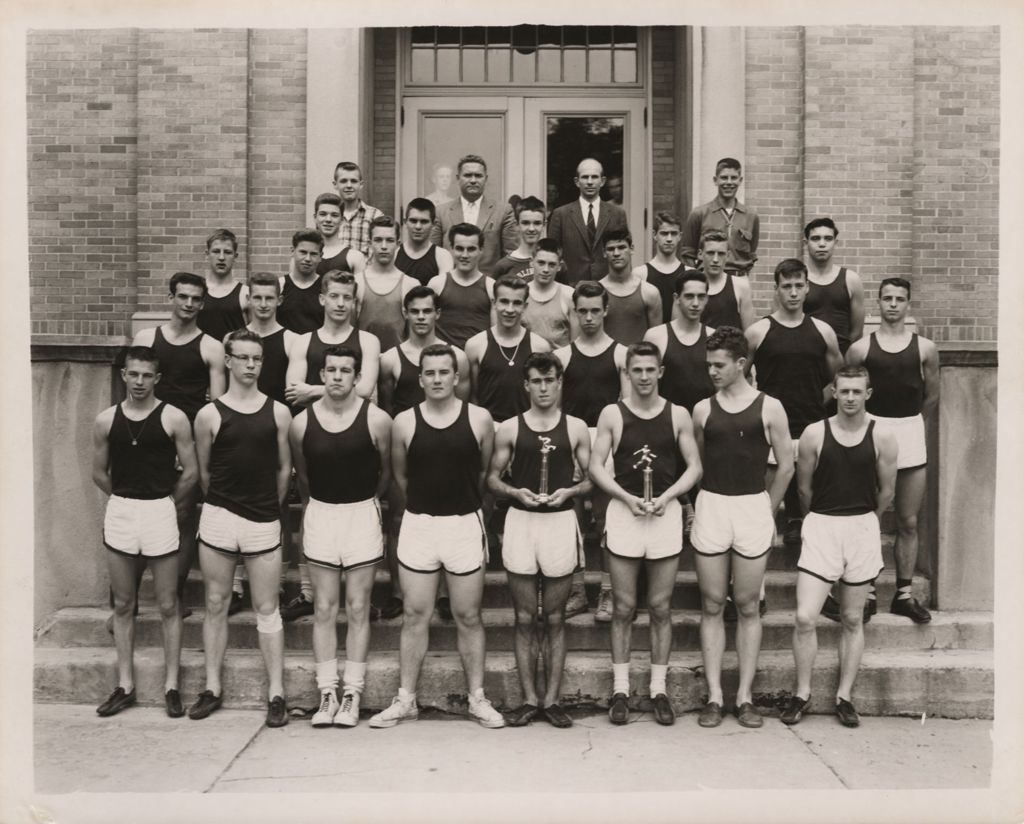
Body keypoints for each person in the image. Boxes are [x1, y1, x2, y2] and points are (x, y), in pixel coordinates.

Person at [369, 344, 505, 729]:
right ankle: (406, 699)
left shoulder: (479, 419)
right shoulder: (404, 422)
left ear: (456, 376)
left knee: (468, 614)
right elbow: (401, 476)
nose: (437, 379)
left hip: (463, 524)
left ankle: (477, 699)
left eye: (444, 372)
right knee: (415, 614)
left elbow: (482, 475)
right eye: (429, 373)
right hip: (420, 524)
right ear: (420, 377)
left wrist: (468, 508)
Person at [589, 341, 702, 726]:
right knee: (622, 608)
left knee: (660, 607)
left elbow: (693, 467)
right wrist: (623, 497)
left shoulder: (678, 414)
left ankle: (658, 689)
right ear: (627, 373)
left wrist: (670, 497)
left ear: (660, 372)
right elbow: (596, 466)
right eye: (636, 370)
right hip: (625, 515)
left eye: (649, 369)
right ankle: (620, 689)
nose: (643, 376)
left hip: (664, 516)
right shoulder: (612, 414)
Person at [781, 366, 897, 728]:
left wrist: (865, 520)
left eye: (856, 392)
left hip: (861, 526)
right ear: (833, 391)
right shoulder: (815, 433)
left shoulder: (883, 435)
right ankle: (802, 693)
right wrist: (822, 518)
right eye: (843, 391)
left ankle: (844, 696)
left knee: (851, 617)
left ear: (868, 394)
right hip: (822, 526)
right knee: (804, 617)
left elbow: (887, 492)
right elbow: (803, 489)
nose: (849, 398)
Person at [689, 327, 793, 729]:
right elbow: (697, 464)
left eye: (719, 365)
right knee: (712, 604)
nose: (712, 371)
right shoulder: (702, 409)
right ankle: (715, 696)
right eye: (708, 365)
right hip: (713, 505)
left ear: (740, 364)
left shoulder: (770, 407)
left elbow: (785, 464)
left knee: (748, 604)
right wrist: (703, 502)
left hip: (752, 507)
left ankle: (745, 697)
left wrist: (767, 508)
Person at [189, 330, 293, 727]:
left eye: (257, 358)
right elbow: (205, 472)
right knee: (215, 603)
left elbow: (285, 469)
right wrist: (223, 504)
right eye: (243, 358)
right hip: (219, 517)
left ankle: (276, 692)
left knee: (267, 609)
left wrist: (270, 504)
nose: (251, 365)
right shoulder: (209, 415)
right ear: (228, 361)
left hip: (263, 518)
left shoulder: (278, 412)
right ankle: (212, 687)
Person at [91, 347, 198, 718]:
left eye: (147, 376)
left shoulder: (174, 418)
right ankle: (125, 685)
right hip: (122, 511)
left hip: (160, 510)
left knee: (169, 604)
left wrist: (167, 502)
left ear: (157, 379)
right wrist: (124, 498)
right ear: (123, 375)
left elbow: (191, 471)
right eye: (133, 374)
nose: (139, 382)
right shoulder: (106, 420)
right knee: (123, 604)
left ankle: (171, 685)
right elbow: (99, 472)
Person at [488, 352, 592, 728]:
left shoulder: (577, 427)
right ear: (527, 384)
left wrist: (570, 492)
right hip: (523, 521)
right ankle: (530, 698)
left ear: (560, 382)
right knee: (523, 616)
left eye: (550, 381)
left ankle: (552, 700)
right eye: (536, 381)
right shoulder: (511, 428)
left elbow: (593, 479)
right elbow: (493, 478)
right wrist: (516, 494)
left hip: (560, 521)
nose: (544, 388)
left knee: (554, 616)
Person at [290, 346, 392, 727]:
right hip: (321, 513)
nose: (337, 377)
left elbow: (387, 473)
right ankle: (327, 692)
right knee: (324, 608)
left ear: (356, 377)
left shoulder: (377, 420)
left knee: (359, 607)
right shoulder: (301, 423)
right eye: (330, 369)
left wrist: (367, 503)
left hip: (361, 513)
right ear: (321, 375)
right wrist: (318, 508)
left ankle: (353, 693)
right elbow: (302, 475)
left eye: (345, 370)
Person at [281, 271, 381, 621]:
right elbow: (292, 389)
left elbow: (366, 388)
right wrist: (320, 393)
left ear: (355, 302)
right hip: (314, 436)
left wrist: (313, 389)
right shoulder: (302, 341)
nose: (341, 303)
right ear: (322, 298)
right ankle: (309, 592)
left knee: (362, 507)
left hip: (355, 436)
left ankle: (359, 592)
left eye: (347, 297)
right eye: (335, 296)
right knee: (310, 508)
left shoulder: (367, 341)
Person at [841, 277, 939, 623]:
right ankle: (865, 591)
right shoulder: (861, 349)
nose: (893, 304)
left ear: (908, 304)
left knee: (908, 520)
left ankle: (903, 594)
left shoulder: (925, 348)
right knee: (868, 516)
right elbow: (850, 394)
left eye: (900, 299)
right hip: (873, 430)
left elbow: (932, 395)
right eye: (887, 298)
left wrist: (910, 425)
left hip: (910, 429)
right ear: (878, 303)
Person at [376, 287, 471, 622]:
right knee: (400, 520)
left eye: (426, 311)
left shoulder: (455, 358)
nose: (420, 317)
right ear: (405, 313)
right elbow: (386, 409)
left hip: (447, 453)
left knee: (445, 522)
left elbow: (463, 408)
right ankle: (399, 592)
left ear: (437, 314)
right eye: (414, 311)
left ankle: (444, 594)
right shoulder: (389, 359)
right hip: (407, 449)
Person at [132, 272, 226, 603]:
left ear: (203, 303)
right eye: (183, 296)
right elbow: (133, 392)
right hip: (146, 438)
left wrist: (199, 447)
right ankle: (127, 601)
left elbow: (216, 406)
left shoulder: (211, 347)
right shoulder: (146, 337)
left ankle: (175, 593)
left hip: (185, 442)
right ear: (171, 297)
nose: (188, 304)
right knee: (141, 514)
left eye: (195, 299)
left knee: (182, 514)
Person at [747, 259, 842, 546]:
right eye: (786, 286)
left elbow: (841, 380)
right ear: (776, 289)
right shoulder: (759, 331)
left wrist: (817, 400)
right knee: (763, 513)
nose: (793, 292)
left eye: (798, 285)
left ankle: (820, 581)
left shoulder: (823, 331)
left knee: (816, 514)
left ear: (807, 288)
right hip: (770, 433)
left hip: (812, 428)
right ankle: (755, 588)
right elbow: (737, 380)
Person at [554, 281, 630, 620]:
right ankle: (576, 590)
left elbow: (625, 407)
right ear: (573, 311)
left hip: (605, 442)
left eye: (594, 311)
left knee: (605, 519)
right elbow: (554, 410)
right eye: (582, 311)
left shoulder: (620, 353)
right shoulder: (562, 356)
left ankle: (608, 592)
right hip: (572, 439)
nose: (588, 317)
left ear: (605, 311)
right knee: (574, 520)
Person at [466, 275, 551, 425]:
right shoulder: (475, 345)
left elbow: (544, 396)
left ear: (525, 306)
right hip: (489, 427)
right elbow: (473, 398)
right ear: (494, 303)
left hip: (527, 429)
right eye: (504, 301)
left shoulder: (540, 347)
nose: (510, 309)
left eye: (517, 303)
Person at [429, 154, 517, 275]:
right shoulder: (441, 212)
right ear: (458, 178)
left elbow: (511, 256)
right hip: (450, 284)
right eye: (468, 175)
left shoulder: (503, 211)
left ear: (485, 179)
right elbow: (433, 254)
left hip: (489, 286)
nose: (473, 180)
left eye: (478, 176)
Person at [547, 158, 629, 285]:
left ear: (602, 181)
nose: (590, 182)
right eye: (585, 177)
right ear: (577, 181)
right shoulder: (560, 214)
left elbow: (625, 253)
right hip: (571, 286)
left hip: (608, 286)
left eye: (594, 177)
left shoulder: (617, 213)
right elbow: (551, 255)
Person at [643, 269, 714, 415]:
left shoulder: (714, 337)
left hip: (703, 424)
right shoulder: (656, 336)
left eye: (701, 297)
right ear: (677, 298)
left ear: (707, 299)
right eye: (689, 296)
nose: (695, 303)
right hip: (666, 424)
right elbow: (644, 385)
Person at [680, 157, 759, 277]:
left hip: (739, 279)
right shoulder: (699, 214)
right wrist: (697, 279)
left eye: (733, 178)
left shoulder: (751, 216)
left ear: (740, 180)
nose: (728, 182)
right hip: (708, 279)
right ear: (715, 180)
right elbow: (688, 253)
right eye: (724, 178)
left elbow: (751, 254)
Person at [354, 215, 420, 352]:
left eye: (389, 240)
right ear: (369, 242)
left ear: (398, 244)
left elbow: (416, 336)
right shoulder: (357, 282)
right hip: (362, 362)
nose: (384, 246)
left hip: (398, 365)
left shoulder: (410, 284)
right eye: (378, 240)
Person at [427, 223, 496, 349]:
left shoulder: (491, 287)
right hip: (444, 360)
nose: (464, 255)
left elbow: (495, 335)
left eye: (471, 249)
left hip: (478, 359)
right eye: (459, 248)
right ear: (451, 249)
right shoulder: (437, 284)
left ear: (481, 250)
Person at [803, 218, 865, 355]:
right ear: (806, 243)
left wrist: (845, 362)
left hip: (842, 358)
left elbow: (857, 332)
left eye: (828, 238)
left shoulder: (851, 279)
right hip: (804, 358)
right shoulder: (796, 280)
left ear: (835, 243)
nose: (822, 244)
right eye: (815, 238)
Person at [598, 229, 661, 346]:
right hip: (606, 363)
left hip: (638, 362)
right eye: (611, 249)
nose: (616, 253)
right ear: (604, 252)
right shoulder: (597, 292)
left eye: (622, 247)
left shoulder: (649, 292)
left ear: (631, 249)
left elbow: (656, 341)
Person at [521, 238, 577, 348]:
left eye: (551, 264)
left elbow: (575, 343)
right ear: (531, 262)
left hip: (559, 362)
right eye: (541, 263)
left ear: (559, 267)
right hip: (527, 362)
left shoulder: (569, 295)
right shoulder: (521, 294)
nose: (546, 269)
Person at [635, 212, 687, 324]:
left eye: (673, 233)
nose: (669, 239)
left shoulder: (688, 273)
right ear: (654, 235)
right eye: (664, 233)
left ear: (680, 236)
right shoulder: (641, 273)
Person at [197, 229, 248, 343]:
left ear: (235, 256)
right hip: (200, 358)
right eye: (216, 251)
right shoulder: (196, 292)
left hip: (232, 358)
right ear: (207, 254)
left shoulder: (245, 293)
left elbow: (253, 335)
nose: (221, 257)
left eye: (227, 252)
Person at [699, 230, 756, 330]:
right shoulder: (689, 285)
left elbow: (749, 333)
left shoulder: (740, 286)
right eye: (710, 253)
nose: (715, 259)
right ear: (700, 254)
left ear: (728, 256)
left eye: (721, 254)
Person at [396, 198, 454, 286]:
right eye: (413, 221)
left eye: (424, 221)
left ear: (433, 224)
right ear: (405, 222)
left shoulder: (443, 256)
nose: (418, 226)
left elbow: (443, 293)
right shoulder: (395, 254)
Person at [278, 228, 326, 334]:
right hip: (286, 349)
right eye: (303, 252)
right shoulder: (280, 285)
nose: (308, 258)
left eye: (313, 254)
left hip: (315, 349)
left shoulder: (326, 287)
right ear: (292, 251)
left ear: (320, 257)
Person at [333, 161, 384, 258]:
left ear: (361, 184)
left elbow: (379, 254)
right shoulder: (328, 218)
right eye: (343, 181)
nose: (349, 185)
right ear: (335, 184)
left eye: (353, 181)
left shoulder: (376, 216)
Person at [492, 195, 546, 282]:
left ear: (544, 225)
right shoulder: (503, 266)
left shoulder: (553, 264)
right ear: (517, 225)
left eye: (537, 223)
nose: (531, 229)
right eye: (525, 223)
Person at [313, 192, 366, 277]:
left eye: (334, 215)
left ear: (342, 220)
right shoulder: (305, 256)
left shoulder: (354, 257)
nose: (328, 219)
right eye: (323, 214)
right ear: (315, 218)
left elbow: (360, 290)